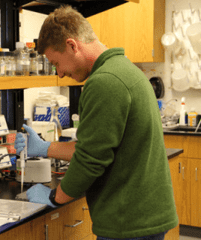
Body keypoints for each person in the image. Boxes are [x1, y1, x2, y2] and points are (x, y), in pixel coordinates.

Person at [14, 5, 178, 240]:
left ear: (72, 45)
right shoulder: (124, 69)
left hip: (128, 222)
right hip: (143, 214)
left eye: (56, 62)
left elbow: (90, 160)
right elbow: (98, 147)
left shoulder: (104, 82)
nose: (58, 73)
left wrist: (54, 197)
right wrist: (45, 147)